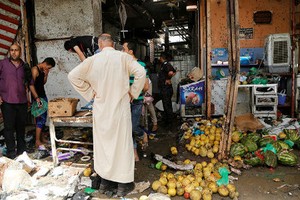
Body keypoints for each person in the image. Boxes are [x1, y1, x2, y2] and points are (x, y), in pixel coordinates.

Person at [68, 33, 146, 197]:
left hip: (101, 109)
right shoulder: (123, 58)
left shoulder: (92, 60)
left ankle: (105, 183)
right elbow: (141, 73)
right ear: (113, 44)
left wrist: (90, 93)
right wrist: (133, 92)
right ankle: (123, 185)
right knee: (122, 146)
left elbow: (72, 76)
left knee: (103, 147)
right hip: (120, 109)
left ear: (100, 44)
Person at [0, 43, 28, 159]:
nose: (14, 52)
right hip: (7, 101)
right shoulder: (2, 64)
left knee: (21, 127)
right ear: (9, 52)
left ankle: (21, 152)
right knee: (9, 128)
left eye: (16, 50)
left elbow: (29, 83)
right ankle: (11, 153)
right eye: (11, 50)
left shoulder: (24, 66)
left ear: (20, 52)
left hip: (22, 101)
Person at [122, 40, 149, 162]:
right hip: (124, 101)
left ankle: (142, 134)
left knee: (133, 126)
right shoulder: (122, 66)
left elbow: (146, 86)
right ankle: (134, 153)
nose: (122, 52)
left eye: (124, 49)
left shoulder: (141, 65)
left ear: (130, 51)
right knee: (127, 128)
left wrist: (133, 91)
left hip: (137, 100)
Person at [29, 57, 56, 149]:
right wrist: (36, 98)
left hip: (43, 97)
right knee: (40, 119)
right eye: (48, 67)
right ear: (44, 63)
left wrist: (46, 75)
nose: (48, 69)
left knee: (43, 118)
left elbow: (42, 83)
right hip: (38, 98)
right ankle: (37, 141)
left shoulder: (42, 71)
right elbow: (31, 85)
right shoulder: (35, 69)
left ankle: (41, 137)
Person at [158, 52, 176, 126]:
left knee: (167, 105)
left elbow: (171, 72)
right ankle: (169, 120)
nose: (159, 59)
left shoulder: (166, 64)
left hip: (166, 89)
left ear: (162, 58)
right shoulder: (164, 65)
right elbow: (174, 71)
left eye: (160, 57)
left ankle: (169, 122)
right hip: (165, 89)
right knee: (167, 104)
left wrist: (168, 79)